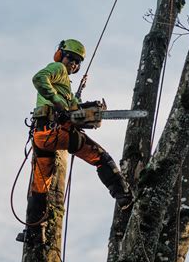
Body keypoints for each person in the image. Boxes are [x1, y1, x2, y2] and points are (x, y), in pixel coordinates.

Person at [17, 39, 132, 244]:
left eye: (78, 62)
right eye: (72, 59)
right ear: (62, 55)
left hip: (42, 137)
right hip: (56, 132)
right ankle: (124, 196)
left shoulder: (67, 91)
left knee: (41, 184)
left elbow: (74, 110)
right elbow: (39, 78)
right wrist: (59, 103)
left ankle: (35, 232)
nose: (74, 65)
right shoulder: (57, 68)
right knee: (100, 157)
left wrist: (81, 106)